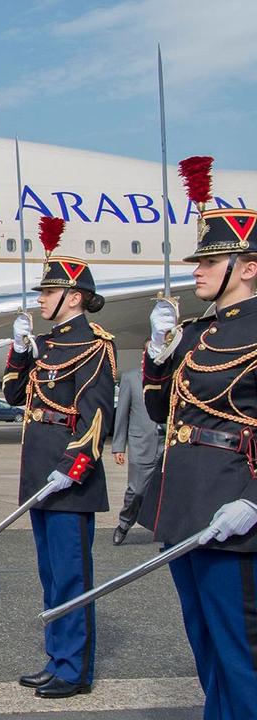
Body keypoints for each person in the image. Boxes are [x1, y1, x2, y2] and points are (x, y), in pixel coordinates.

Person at [141, 169, 257, 718]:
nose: (197, 272)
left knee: (242, 653)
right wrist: (160, 356)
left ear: (248, 268)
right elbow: (160, 413)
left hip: (235, 506)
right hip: (184, 501)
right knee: (205, 643)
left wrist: (255, 501)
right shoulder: (194, 334)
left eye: (209, 262)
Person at [3, 220, 114, 698]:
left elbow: (95, 417)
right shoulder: (45, 347)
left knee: (72, 575)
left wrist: (71, 469)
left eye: (48, 293)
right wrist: (20, 352)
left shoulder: (95, 344)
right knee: (51, 576)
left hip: (69, 479)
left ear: (72, 295)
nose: (40, 301)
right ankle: (56, 656)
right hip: (38, 474)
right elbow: (12, 396)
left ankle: (74, 668)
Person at [110, 343, 164, 546]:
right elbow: (122, 414)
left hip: (168, 441)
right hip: (142, 443)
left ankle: (166, 532)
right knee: (137, 490)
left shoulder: (173, 376)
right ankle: (124, 523)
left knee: (169, 490)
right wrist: (118, 446)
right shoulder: (131, 378)